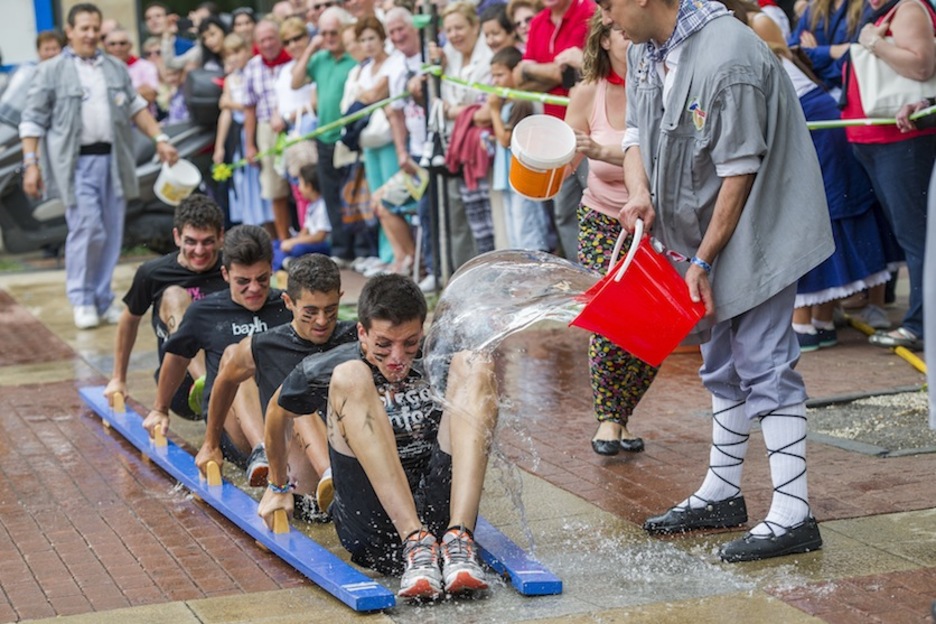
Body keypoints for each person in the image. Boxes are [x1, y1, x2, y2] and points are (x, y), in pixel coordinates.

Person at [605, 0, 834, 561]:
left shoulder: (728, 53)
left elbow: (740, 168)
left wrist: (704, 260)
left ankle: (792, 513)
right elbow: (635, 132)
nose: (607, 19)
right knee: (722, 363)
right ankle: (723, 491)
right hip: (701, 233)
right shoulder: (643, 51)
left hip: (758, 228)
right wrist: (639, 193)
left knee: (764, 361)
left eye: (609, 6)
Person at [258, 273, 498, 599]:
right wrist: (277, 485)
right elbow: (277, 412)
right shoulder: (325, 366)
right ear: (362, 333)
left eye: (410, 343)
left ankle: (459, 538)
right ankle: (415, 541)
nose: (397, 358)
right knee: (350, 375)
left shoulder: (435, 357)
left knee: (474, 362)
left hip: (437, 510)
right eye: (384, 344)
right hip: (374, 530)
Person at [19, 2, 179, 330]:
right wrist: (31, 163)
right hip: (75, 163)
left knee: (110, 230)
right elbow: (32, 119)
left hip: (114, 160)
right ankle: (81, 298)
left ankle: (102, 298)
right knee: (88, 226)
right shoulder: (50, 71)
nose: (91, 35)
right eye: (84, 29)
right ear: (70, 32)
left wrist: (160, 138)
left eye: (96, 29)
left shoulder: (114, 68)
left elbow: (137, 108)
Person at [195, 254, 356, 504]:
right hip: (297, 470)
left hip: (343, 448)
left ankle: (338, 481)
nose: (322, 321)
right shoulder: (263, 346)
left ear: (340, 298)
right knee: (295, 398)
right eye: (310, 312)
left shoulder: (355, 337)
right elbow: (225, 381)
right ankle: (328, 477)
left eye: (330, 310)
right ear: (288, 302)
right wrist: (210, 443)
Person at [564, 14, 656, 455]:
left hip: (656, 221)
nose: (628, 37)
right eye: (618, 31)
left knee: (654, 327)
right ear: (603, 42)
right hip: (601, 218)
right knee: (608, 319)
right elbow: (563, 160)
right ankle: (607, 420)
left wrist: (604, 150)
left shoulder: (659, 85)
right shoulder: (586, 94)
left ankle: (622, 414)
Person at [142, 225, 292, 470]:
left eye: (262, 279)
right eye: (243, 281)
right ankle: (262, 451)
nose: (253, 288)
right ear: (225, 274)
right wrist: (160, 409)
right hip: (232, 424)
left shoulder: (286, 305)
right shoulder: (204, 312)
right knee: (241, 358)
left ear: (271, 269)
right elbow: (177, 358)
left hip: (281, 417)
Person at [842, 0, 936, 353]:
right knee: (909, 233)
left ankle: (920, 325)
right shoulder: (880, 10)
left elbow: (923, 65)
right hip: (876, 139)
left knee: (918, 236)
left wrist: (874, 42)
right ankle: (919, 320)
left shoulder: (908, 7)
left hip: (902, 140)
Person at [104, 194, 227, 414]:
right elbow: (129, 321)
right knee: (174, 296)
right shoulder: (153, 273)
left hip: (229, 374)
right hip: (181, 385)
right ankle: (205, 385)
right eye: (191, 241)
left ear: (221, 237)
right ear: (177, 237)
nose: (199, 251)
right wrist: (118, 379)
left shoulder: (232, 268)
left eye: (208, 241)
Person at [515, 0, 595, 261]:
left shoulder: (588, 12)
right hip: (553, 135)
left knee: (595, 206)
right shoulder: (538, 21)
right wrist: (541, 71)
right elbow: (519, 75)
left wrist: (532, 69)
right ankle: (579, 276)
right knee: (563, 210)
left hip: (590, 130)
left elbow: (583, 73)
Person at [293, 7, 372, 268]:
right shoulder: (320, 57)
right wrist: (311, 47)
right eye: (323, 32)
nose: (328, 37)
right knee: (331, 196)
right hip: (325, 137)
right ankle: (341, 249)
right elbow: (296, 81)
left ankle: (361, 249)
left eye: (333, 32)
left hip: (349, 138)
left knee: (354, 194)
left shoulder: (354, 56)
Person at [487, 47, 552, 252]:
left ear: (515, 72)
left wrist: (494, 111)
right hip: (507, 175)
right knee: (514, 228)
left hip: (522, 176)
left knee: (527, 228)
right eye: (493, 76)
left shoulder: (521, 102)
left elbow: (505, 140)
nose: (495, 81)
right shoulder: (509, 101)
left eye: (500, 75)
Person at [244, 19, 294, 242]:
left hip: (294, 126)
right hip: (266, 129)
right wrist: (250, 144)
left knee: (301, 185)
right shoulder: (252, 66)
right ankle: (284, 241)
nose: (267, 44)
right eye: (262, 40)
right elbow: (249, 108)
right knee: (275, 188)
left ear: (279, 38)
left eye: (271, 38)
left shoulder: (292, 61)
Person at [273, 164, 333, 271]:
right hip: (310, 241)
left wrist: (294, 242)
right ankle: (286, 261)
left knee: (298, 249)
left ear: (309, 186)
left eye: (300, 183)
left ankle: (284, 262)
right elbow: (305, 230)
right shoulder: (311, 205)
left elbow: (320, 236)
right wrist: (292, 241)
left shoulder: (323, 205)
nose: (299, 188)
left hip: (322, 244)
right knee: (275, 244)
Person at [104, 28, 160, 109]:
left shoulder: (146, 66)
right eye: (112, 44)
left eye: (122, 43)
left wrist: (114, 96)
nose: (117, 47)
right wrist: (138, 91)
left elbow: (150, 95)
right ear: (106, 47)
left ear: (130, 45)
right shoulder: (100, 69)